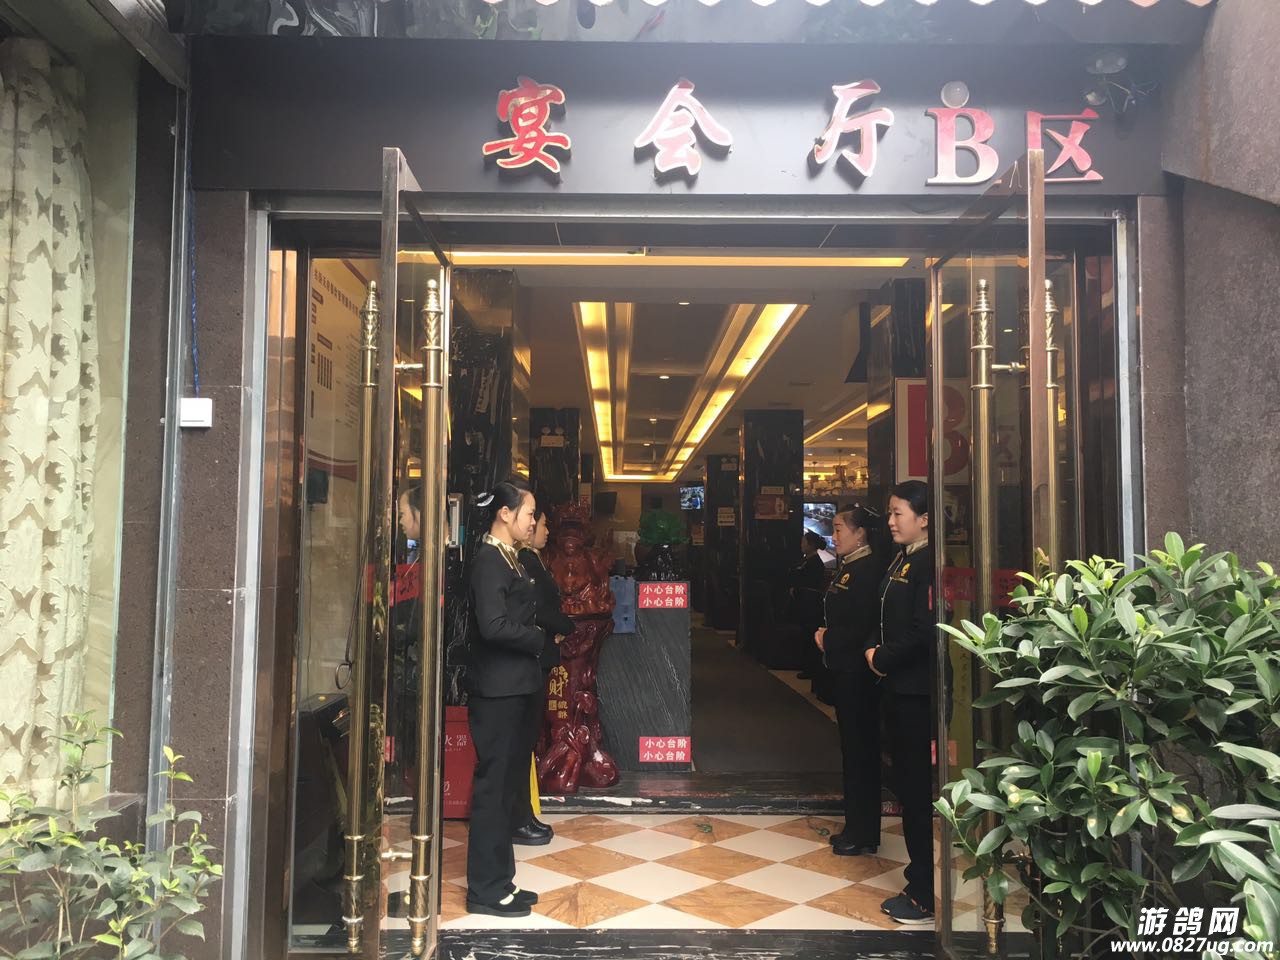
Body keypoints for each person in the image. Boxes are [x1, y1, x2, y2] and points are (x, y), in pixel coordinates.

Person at [465, 481, 544, 918]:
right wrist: (536, 638)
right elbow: (493, 625)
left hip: (516, 687)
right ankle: (485, 890)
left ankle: (502, 882)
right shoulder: (488, 560)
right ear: (505, 514)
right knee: (493, 791)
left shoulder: (509, 556)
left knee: (507, 790)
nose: (533, 521)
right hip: (497, 692)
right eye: (529, 513)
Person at [866, 480, 936, 925]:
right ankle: (919, 877)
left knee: (916, 791)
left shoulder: (928, 563)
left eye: (898, 513)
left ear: (924, 519)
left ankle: (926, 895)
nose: (891, 521)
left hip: (916, 692)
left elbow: (922, 630)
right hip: (896, 687)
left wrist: (882, 658)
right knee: (907, 789)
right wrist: (875, 652)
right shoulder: (903, 558)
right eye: (890, 513)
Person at [815, 505, 889, 858]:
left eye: (839, 528)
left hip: (860, 673)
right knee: (852, 750)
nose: (834, 536)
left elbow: (861, 625)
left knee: (860, 751)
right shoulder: (850, 566)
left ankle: (862, 830)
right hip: (845, 670)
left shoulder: (868, 569)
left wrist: (827, 638)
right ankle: (858, 827)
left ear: (860, 533)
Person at [513, 504, 574, 846]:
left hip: (540, 656)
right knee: (523, 740)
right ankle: (520, 816)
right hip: (533, 657)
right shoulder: (524, 561)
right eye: (541, 523)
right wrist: (564, 626)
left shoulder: (533, 560)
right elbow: (537, 609)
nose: (546, 531)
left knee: (528, 738)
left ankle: (525, 813)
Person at [789, 531, 828, 681]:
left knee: (809, 636)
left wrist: (797, 589)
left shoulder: (815, 563)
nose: (801, 545)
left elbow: (811, 585)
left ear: (811, 545)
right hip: (804, 604)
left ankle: (810, 668)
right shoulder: (806, 561)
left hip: (810, 606)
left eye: (803, 542)